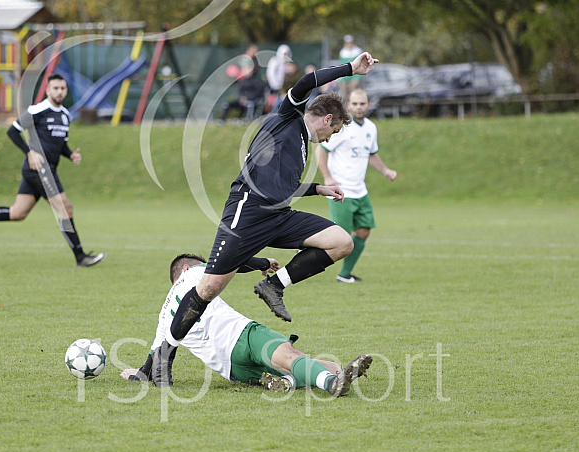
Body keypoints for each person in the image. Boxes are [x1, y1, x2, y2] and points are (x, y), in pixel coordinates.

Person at [151, 52, 379, 387]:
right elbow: (305, 82)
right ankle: (162, 359)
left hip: (279, 215)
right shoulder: (289, 117)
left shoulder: (300, 144)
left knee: (341, 241)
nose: (329, 139)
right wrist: (350, 70)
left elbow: (280, 184)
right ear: (326, 118)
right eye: (332, 131)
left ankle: (274, 285)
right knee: (209, 287)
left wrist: (317, 189)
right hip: (248, 211)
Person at [122, 253, 372, 397]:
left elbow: (151, 364)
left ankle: (299, 380)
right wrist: (263, 263)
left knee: (298, 369)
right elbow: (229, 261)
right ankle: (332, 383)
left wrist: (135, 374)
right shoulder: (195, 272)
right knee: (294, 357)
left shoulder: (165, 317)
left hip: (232, 369)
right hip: (243, 336)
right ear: (187, 267)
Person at [0, 73, 105, 267]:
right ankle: (80, 257)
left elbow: (60, 142)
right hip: (39, 169)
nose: (59, 92)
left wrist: (70, 154)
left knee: (18, 213)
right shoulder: (38, 110)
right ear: (48, 90)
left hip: (46, 169)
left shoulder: (65, 115)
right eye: (55, 88)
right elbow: (12, 131)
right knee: (65, 207)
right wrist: (29, 152)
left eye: (62, 88)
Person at [316, 89, 397, 283]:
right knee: (340, 239)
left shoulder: (371, 128)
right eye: (354, 104)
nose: (358, 107)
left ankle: (344, 275)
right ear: (348, 106)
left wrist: (385, 170)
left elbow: (372, 154)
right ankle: (306, 244)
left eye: (362, 104)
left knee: (364, 230)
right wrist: (327, 178)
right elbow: (321, 151)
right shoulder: (341, 128)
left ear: (369, 105)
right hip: (341, 191)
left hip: (360, 191)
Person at [218, 44, 266, 124]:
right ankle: (223, 121)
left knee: (249, 104)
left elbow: (258, 90)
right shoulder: (244, 59)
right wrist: (242, 98)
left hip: (252, 96)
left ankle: (245, 118)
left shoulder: (255, 65)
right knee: (229, 104)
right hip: (244, 92)